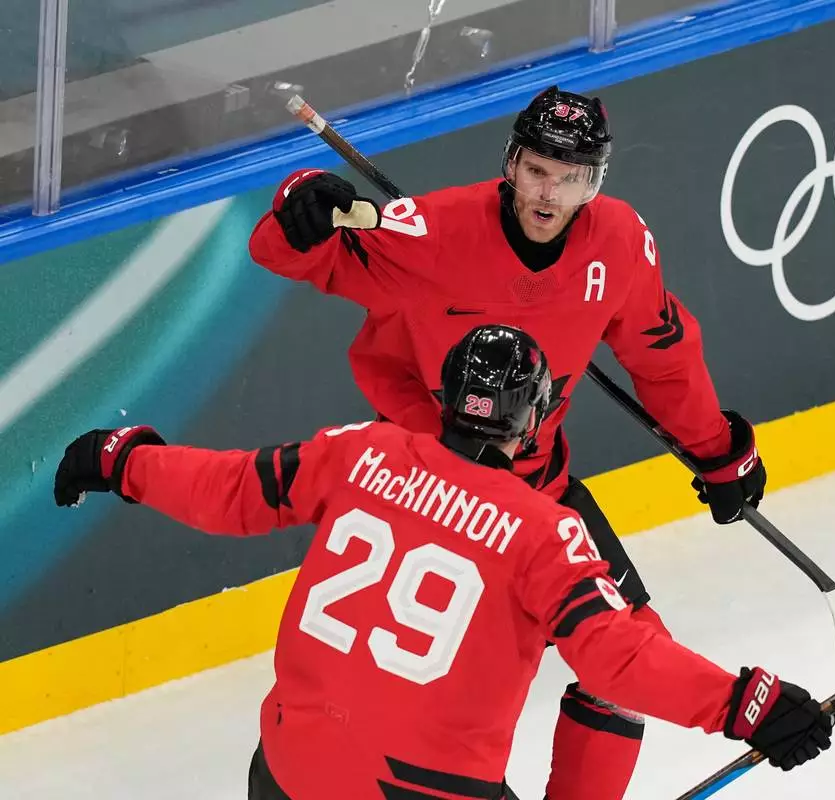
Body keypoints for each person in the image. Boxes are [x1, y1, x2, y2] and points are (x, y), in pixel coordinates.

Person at [248, 86, 769, 799]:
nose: (549, 192)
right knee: (412, 697)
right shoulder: (430, 233)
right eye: (535, 170)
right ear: (510, 164)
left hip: (535, 492)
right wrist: (299, 203)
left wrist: (715, 448)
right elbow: (295, 255)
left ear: (597, 181)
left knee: (629, 672)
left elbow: (662, 355)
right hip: (427, 489)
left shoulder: (617, 244)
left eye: (572, 176)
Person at [53, 325, 833, 800]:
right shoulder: (545, 529)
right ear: (533, 421)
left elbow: (229, 492)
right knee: (611, 699)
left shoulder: (359, 452)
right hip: (423, 795)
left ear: (445, 394)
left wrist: (126, 461)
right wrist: (746, 704)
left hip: (286, 774)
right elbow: (619, 660)